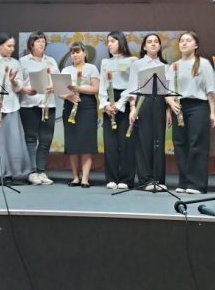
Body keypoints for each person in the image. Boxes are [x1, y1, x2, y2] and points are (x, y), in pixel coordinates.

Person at [166, 31, 215, 195]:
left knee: (197, 144)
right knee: (180, 144)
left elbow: (210, 90)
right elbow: (168, 91)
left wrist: (213, 112)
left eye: (188, 40)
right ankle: (184, 181)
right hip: (178, 107)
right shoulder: (174, 66)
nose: (184, 43)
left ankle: (197, 184)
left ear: (196, 45)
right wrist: (170, 104)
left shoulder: (203, 64)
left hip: (198, 106)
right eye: (182, 40)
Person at [0, 33, 31, 181]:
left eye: (13, 46)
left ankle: (9, 172)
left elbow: (19, 86)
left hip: (11, 105)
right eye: (9, 46)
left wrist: (14, 81)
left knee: (11, 140)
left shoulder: (15, 63)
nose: (12, 49)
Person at [126, 33, 168, 191]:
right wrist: (132, 108)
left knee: (159, 140)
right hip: (142, 102)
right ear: (144, 47)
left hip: (159, 102)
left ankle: (159, 178)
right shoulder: (137, 64)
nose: (153, 44)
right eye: (149, 42)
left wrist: (168, 111)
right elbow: (132, 86)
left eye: (156, 41)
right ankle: (146, 179)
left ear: (160, 46)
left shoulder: (165, 65)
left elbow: (167, 91)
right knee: (144, 140)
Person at [19, 32, 60, 185]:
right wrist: (26, 88)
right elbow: (18, 82)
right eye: (38, 42)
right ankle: (32, 171)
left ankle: (41, 170)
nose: (41, 44)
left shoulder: (51, 61)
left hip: (48, 104)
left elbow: (58, 80)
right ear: (31, 44)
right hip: (29, 104)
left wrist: (53, 86)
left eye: (43, 42)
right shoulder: (23, 61)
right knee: (30, 138)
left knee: (46, 139)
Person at [99, 31, 137, 189]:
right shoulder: (105, 62)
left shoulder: (133, 61)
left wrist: (120, 104)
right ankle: (111, 178)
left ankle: (126, 179)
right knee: (110, 144)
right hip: (109, 102)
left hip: (125, 102)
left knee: (126, 143)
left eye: (112, 41)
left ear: (121, 42)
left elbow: (133, 85)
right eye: (108, 42)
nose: (109, 44)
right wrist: (105, 104)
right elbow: (102, 85)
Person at [60, 41, 100, 188]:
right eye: (72, 52)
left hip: (87, 107)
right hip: (69, 105)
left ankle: (85, 179)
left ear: (84, 53)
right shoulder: (65, 70)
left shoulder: (91, 68)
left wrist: (77, 88)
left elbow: (96, 88)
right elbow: (60, 91)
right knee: (73, 143)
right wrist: (68, 96)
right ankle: (76, 177)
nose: (75, 55)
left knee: (86, 143)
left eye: (77, 52)